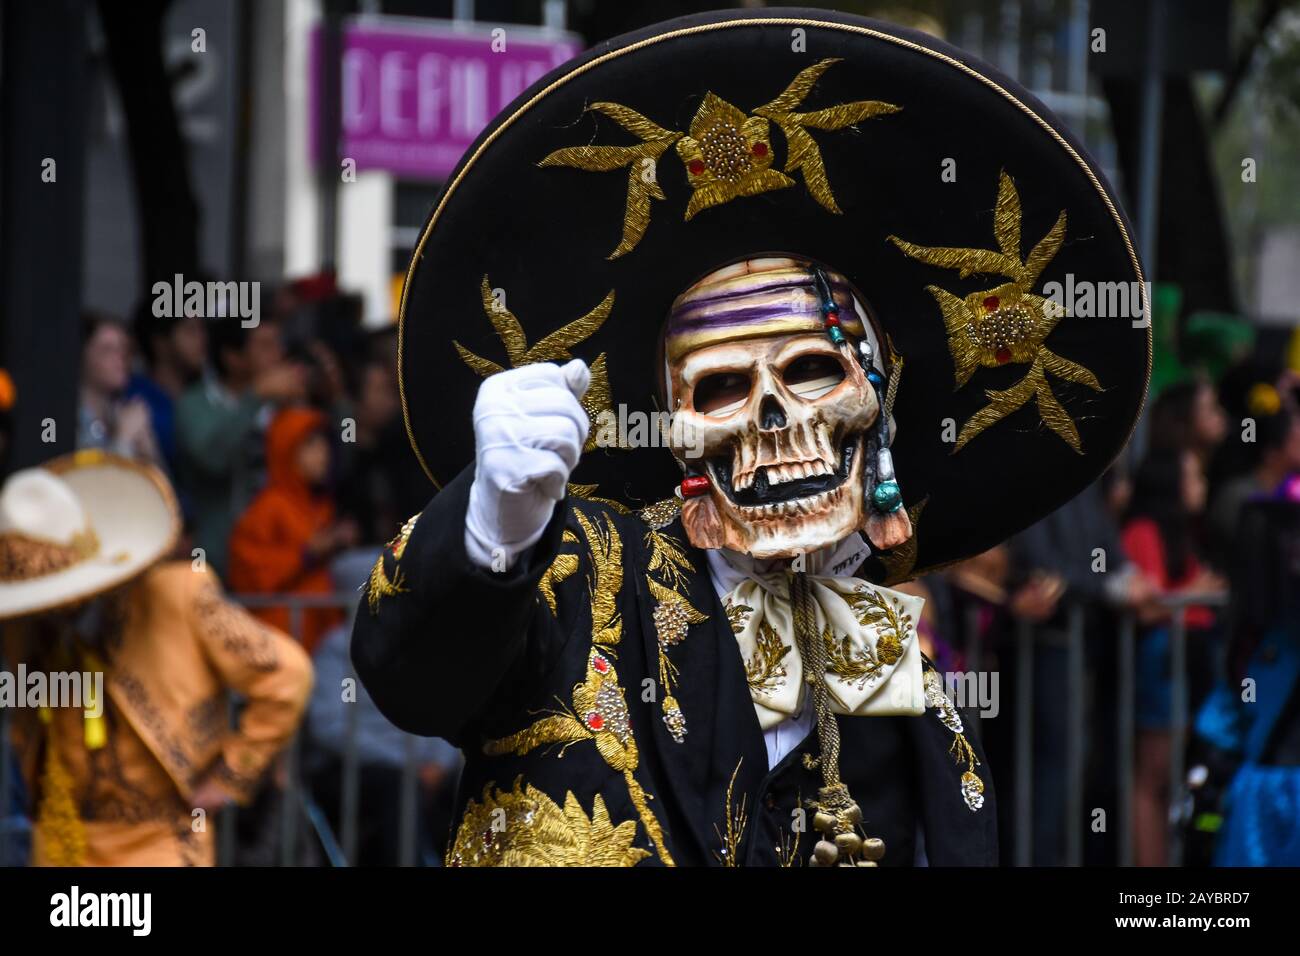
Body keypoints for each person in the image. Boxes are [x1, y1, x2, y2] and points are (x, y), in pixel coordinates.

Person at [350, 11, 1151, 867]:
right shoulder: (586, 575)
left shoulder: (885, 657)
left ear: (878, 402)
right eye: (723, 388)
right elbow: (415, 681)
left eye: (813, 371)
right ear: (678, 429)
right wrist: (492, 531)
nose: (774, 416)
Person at [0, 451, 313, 866]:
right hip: (60, 838)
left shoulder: (178, 595)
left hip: (160, 841)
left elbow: (287, 676)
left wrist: (231, 776)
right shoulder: (22, 626)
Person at [1121, 448, 1226, 866]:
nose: (1201, 484)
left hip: (1189, 655)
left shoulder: (1184, 531)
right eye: (1193, 475)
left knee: (1177, 774)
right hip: (1163, 658)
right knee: (1153, 775)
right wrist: (1196, 589)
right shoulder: (1144, 530)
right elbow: (1147, 605)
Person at [174, 316, 306, 577]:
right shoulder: (194, 404)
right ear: (233, 357)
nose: (278, 354)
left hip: (280, 561)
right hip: (217, 559)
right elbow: (213, 458)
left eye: (278, 343)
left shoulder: (284, 404)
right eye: (265, 346)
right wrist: (255, 397)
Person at [228, 407, 353, 654]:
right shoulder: (268, 507)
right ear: (286, 450)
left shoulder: (319, 505)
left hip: (320, 636)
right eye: (310, 446)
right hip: (281, 642)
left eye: (323, 444)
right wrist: (306, 555)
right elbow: (248, 574)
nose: (323, 454)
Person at [126, 304, 208, 475]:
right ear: (161, 342)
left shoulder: (207, 393)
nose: (202, 340)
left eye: (202, 330)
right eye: (190, 331)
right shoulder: (136, 399)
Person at [77, 313, 161, 466]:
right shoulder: (64, 418)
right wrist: (123, 440)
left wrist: (149, 452)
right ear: (82, 355)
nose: (120, 357)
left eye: (124, 349)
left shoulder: (123, 411)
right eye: (108, 349)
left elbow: (161, 486)